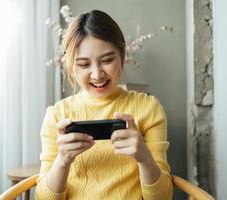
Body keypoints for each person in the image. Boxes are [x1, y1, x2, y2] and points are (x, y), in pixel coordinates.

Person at [35, 10, 173, 200]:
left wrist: (144, 157)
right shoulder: (57, 115)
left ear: (122, 55)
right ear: (71, 66)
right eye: (84, 65)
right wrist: (63, 161)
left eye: (107, 60)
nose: (97, 74)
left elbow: (162, 198)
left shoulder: (149, 108)